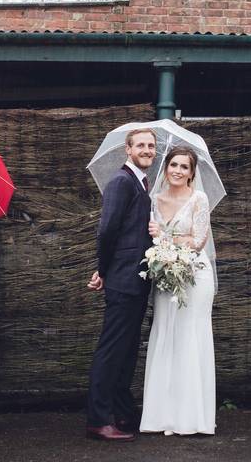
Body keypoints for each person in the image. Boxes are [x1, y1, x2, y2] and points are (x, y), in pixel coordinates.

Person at [140, 145, 217, 436]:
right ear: (166, 167)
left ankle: (192, 417)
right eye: (174, 164)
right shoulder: (152, 199)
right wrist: (162, 246)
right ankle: (163, 416)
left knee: (190, 337)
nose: (178, 170)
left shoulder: (199, 199)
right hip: (164, 275)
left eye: (184, 167)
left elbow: (198, 241)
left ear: (192, 173)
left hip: (195, 276)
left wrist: (164, 237)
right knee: (166, 334)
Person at [86, 128, 156, 442]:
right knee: (111, 350)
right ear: (127, 149)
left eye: (151, 146)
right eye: (140, 145)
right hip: (123, 279)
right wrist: (104, 270)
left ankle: (125, 414)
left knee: (127, 351)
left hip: (136, 279)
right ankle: (98, 420)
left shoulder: (141, 183)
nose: (147, 150)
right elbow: (106, 231)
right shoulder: (121, 182)